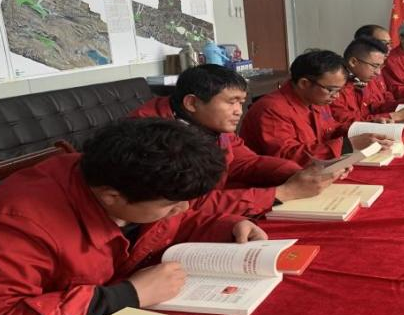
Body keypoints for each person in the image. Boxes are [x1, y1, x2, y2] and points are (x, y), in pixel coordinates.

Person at [0, 119, 268, 315]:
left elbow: (171, 222)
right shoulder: (17, 227)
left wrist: (227, 225)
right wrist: (126, 295)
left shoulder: (126, 181)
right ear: (111, 196)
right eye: (172, 204)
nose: (182, 209)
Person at [130, 65, 340, 213]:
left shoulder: (208, 122)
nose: (239, 111)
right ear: (192, 103)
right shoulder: (152, 139)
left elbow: (244, 161)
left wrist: (296, 172)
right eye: (231, 102)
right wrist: (283, 192)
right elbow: (186, 205)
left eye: (241, 102)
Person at [239, 50, 392, 164]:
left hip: (320, 168)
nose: (336, 96)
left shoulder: (315, 98)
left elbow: (330, 130)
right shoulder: (271, 109)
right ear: (304, 83)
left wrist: (366, 127)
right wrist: (347, 145)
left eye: (339, 90)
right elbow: (288, 156)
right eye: (331, 90)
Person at [330, 36, 404, 125]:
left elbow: (374, 108)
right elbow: (346, 123)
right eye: (374, 66)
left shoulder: (362, 78)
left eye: (381, 66)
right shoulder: (334, 86)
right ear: (353, 62)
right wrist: (396, 116)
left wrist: (403, 102)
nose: (378, 72)